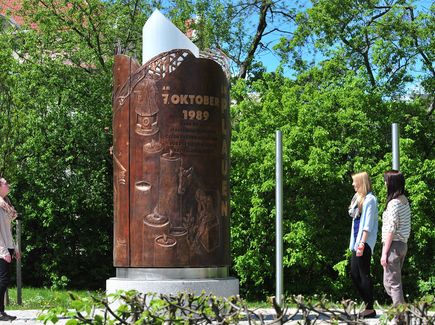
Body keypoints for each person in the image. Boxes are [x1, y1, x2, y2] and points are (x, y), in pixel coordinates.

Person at [348, 172, 378, 318]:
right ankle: (368, 304)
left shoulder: (370, 200)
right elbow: (354, 217)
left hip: (363, 242)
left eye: (355, 182)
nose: (353, 184)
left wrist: (362, 243)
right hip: (357, 241)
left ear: (361, 182)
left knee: (363, 273)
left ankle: (369, 307)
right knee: (354, 273)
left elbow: (367, 224)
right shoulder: (359, 198)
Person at [381, 171, 411, 309]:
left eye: (386, 180)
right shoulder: (404, 200)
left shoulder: (394, 203)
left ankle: (400, 316)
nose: (385, 183)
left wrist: (384, 252)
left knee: (392, 284)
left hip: (393, 245)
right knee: (391, 283)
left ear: (392, 183)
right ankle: (401, 309)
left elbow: (391, 229)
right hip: (402, 244)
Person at [0, 178, 19, 321]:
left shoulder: (6, 204)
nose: (8, 185)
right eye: (6, 183)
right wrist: (3, 251)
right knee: (3, 281)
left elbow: (8, 229)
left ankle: (2, 312)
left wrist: (15, 247)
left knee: (4, 281)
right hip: (2, 248)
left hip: (8, 246)